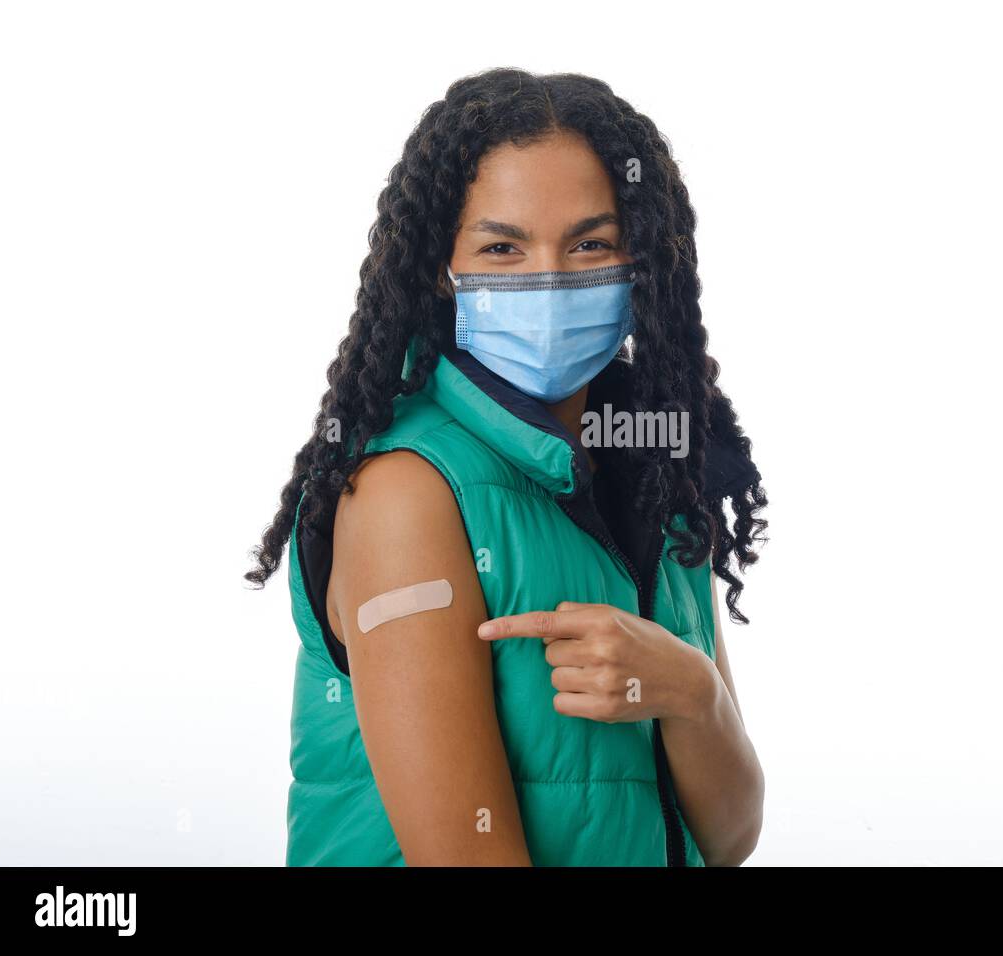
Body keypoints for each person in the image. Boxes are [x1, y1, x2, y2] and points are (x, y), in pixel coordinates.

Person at [246, 68, 769, 866]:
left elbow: (729, 840)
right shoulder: (405, 497)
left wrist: (692, 694)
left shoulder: (656, 475)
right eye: (503, 247)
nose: (551, 280)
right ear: (441, 269)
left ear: (643, 263)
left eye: (590, 243)